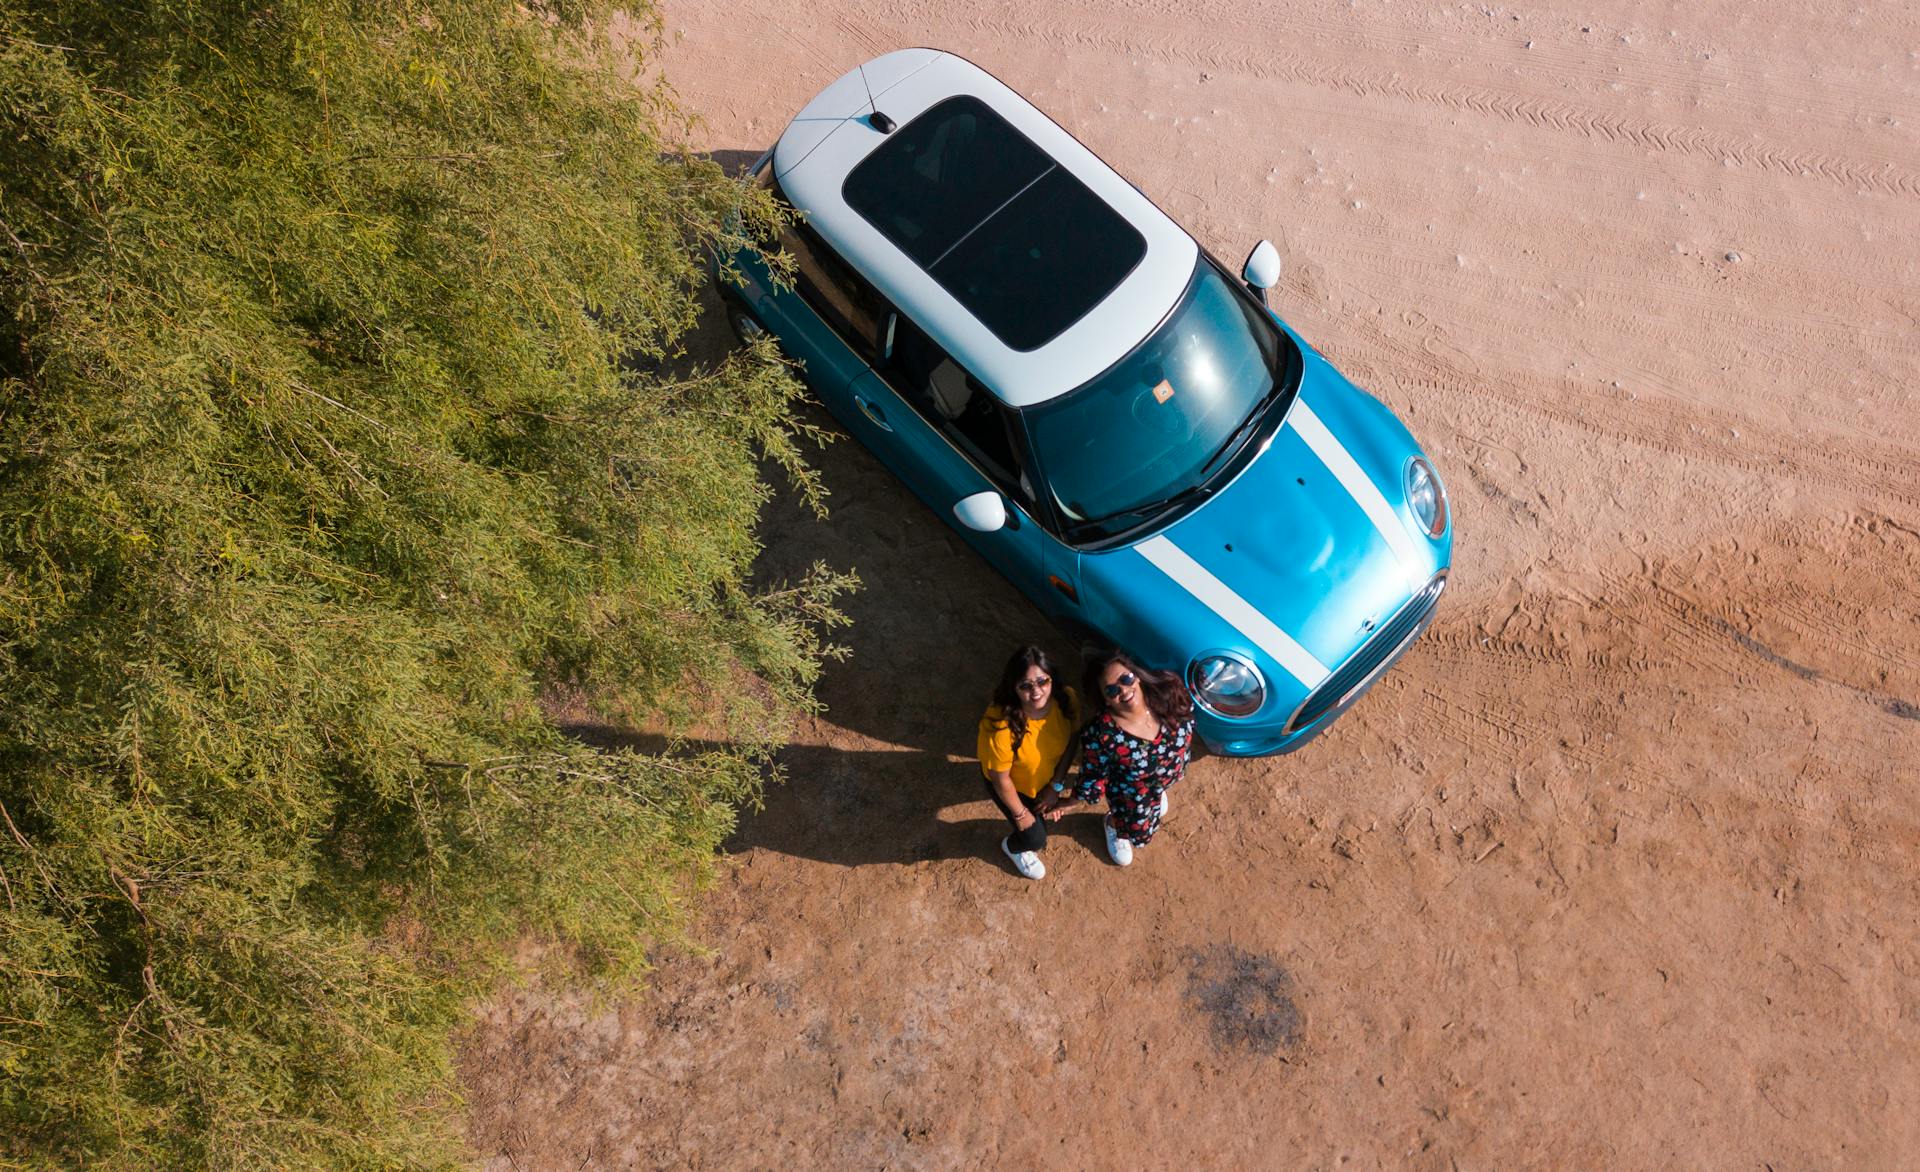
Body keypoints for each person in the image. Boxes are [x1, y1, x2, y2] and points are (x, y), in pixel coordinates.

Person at [1040, 648, 1194, 867]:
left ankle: (1158, 793)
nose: (1123, 690)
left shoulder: (1167, 692)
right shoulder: (1101, 734)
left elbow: (1189, 713)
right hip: (1134, 796)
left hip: (1168, 773)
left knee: (1160, 790)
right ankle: (1114, 825)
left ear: (1137, 675)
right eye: (1111, 690)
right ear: (1105, 700)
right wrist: (1070, 801)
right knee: (1132, 820)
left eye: (1126, 678)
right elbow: (1093, 776)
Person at [977, 645, 1080, 881]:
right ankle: (1013, 847)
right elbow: (1000, 779)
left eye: (1043, 681)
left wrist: (1055, 786)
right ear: (1014, 688)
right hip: (1012, 785)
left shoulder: (1066, 699)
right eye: (1025, 685)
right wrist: (1022, 814)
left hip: (1044, 780)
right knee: (1035, 839)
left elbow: (1073, 738)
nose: (1036, 692)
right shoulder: (1001, 727)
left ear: (1052, 678)